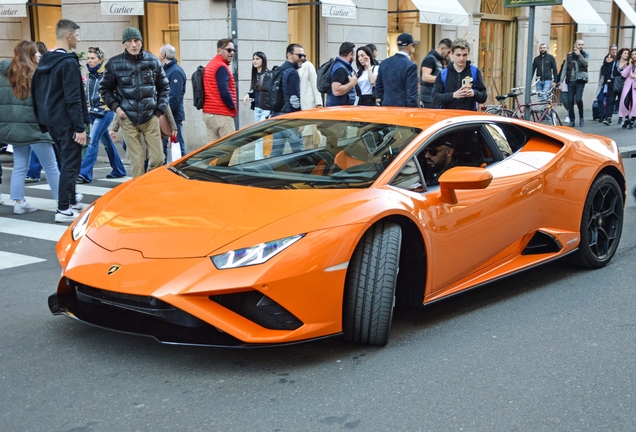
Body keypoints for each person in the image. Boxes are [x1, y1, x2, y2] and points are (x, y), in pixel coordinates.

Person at [32, 19, 88, 223]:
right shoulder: (68, 63)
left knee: (67, 162)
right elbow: (73, 97)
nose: (79, 40)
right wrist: (80, 127)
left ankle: (71, 201)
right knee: (70, 165)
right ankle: (63, 208)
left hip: (52, 120)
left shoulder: (45, 61)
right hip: (67, 121)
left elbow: (35, 92)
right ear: (69, 35)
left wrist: (42, 120)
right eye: (78, 36)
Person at [100, 27, 170, 178]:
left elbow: (164, 87)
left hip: (150, 116)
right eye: (129, 41)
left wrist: (159, 111)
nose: (133, 44)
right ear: (124, 43)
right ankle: (140, 193)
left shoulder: (152, 61)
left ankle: (148, 182)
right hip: (127, 118)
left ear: (141, 42)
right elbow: (104, 89)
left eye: (136, 40)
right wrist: (116, 108)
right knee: (137, 163)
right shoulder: (114, 63)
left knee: (159, 158)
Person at [0, 40, 60, 215]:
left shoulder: (6, 74)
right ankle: (63, 202)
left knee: (20, 165)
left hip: (14, 129)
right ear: (29, 55)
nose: (39, 55)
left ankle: (18, 202)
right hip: (35, 128)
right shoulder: (37, 75)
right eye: (36, 53)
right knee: (50, 165)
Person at [76, 46, 126, 183]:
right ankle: (119, 169)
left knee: (92, 141)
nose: (90, 61)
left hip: (105, 112)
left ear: (100, 60)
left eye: (93, 58)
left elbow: (114, 92)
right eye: (88, 58)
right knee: (107, 143)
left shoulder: (107, 74)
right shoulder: (89, 75)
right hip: (92, 111)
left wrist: (107, 104)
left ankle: (84, 173)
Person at [431, 38, 487, 111]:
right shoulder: (443, 74)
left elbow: (483, 97)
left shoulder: (474, 72)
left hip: (467, 118)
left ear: (468, 53)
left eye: (464, 55)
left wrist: (474, 93)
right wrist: (453, 95)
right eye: (458, 55)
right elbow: (434, 98)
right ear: (452, 54)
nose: (461, 58)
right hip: (449, 118)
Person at [270, 43, 303, 157]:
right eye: (299, 55)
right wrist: (300, 120)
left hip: (277, 116)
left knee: (276, 153)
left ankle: (269, 174)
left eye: (303, 55)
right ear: (289, 55)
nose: (302, 58)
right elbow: (294, 98)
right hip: (289, 118)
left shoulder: (279, 70)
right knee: (299, 152)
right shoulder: (292, 73)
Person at [202, 38, 237, 143]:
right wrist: (232, 106)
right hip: (221, 113)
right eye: (229, 50)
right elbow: (224, 91)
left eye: (233, 50)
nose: (232, 53)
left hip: (208, 113)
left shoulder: (211, 64)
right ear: (219, 50)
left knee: (214, 150)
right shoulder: (221, 66)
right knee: (232, 148)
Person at [375, 33, 419, 107]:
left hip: (386, 107)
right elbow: (411, 94)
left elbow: (379, 87)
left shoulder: (384, 63)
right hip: (403, 109)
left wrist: (383, 100)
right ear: (409, 46)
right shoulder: (410, 66)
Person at [159, 43, 187, 159]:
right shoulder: (166, 70)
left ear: (163, 55)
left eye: (160, 53)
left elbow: (173, 97)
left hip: (173, 116)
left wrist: (164, 113)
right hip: (166, 115)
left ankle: (184, 170)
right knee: (163, 147)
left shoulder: (175, 71)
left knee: (177, 146)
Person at [298, 54, 323, 148]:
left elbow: (315, 85)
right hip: (298, 107)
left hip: (308, 105)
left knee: (309, 135)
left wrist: (319, 103)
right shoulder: (293, 68)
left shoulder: (308, 66)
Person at [420, 38, 452, 108]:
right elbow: (425, 77)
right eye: (448, 52)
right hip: (429, 98)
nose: (449, 55)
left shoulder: (439, 60)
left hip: (435, 97)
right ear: (442, 48)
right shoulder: (430, 59)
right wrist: (443, 78)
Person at [564, 39, 589, 127]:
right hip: (570, 81)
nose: (581, 46)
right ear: (575, 45)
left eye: (582, 44)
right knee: (570, 101)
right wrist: (559, 81)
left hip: (580, 81)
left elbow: (586, 64)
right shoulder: (570, 55)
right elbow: (565, 68)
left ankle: (581, 118)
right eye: (579, 44)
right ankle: (572, 120)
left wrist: (580, 56)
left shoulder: (585, 54)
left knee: (578, 99)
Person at [326, 42, 357, 107]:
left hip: (338, 107)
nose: (354, 58)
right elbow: (336, 90)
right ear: (350, 54)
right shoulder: (340, 69)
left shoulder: (338, 66)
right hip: (338, 109)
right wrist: (352, 83)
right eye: (354, 55)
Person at [607, 48, 630, 126]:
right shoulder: (615, 63)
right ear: (621, 54)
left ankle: (622, 118)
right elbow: (610, 72)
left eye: (627, 53)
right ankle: (608, 118)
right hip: (614, 84)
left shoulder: (628, 64)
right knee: (611, 101)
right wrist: (609, 80)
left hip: (624, 84)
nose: (626, 55)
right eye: (625, 53)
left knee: (622, 102)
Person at [596, 49, 616, 125]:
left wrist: (610, 80)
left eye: (610, 57)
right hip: (603, 85)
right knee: (600, 99)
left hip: (610, 86)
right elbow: (600, 77)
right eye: (607, 57)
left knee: (609, 101)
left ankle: (607, 116)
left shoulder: (613, 66)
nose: (608, 58)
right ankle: (602, 114)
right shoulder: (603, 66)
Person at [618, 49, 636, 129]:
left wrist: (635, 76)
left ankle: (632, 120)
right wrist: (630, 66)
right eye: (632, 54)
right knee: (625, 102)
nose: (634, 56)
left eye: (635, 54)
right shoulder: (629, 64)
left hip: (635, 86)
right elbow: (624, 75)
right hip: (628, 85)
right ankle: (626, 118)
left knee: (634, 104)